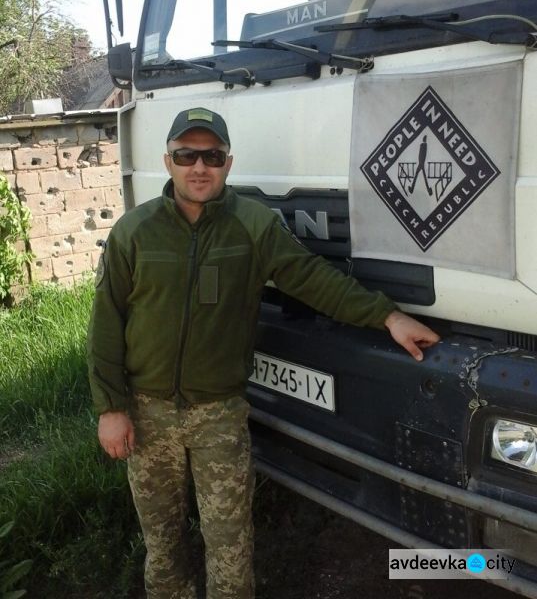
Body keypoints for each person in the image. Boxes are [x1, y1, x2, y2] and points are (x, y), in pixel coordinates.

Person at [87, 107, 440, 599]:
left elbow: (311, 278)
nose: (199, 167)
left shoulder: (253, 226)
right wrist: (111, 408)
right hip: (147, 415)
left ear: (228, 163)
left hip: (219, 416)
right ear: (168, 161)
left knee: (230, 547)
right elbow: (106, 324)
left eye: (211, 155)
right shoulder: (134, 231)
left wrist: (387, 315)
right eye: (187, 155)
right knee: (163, 546)